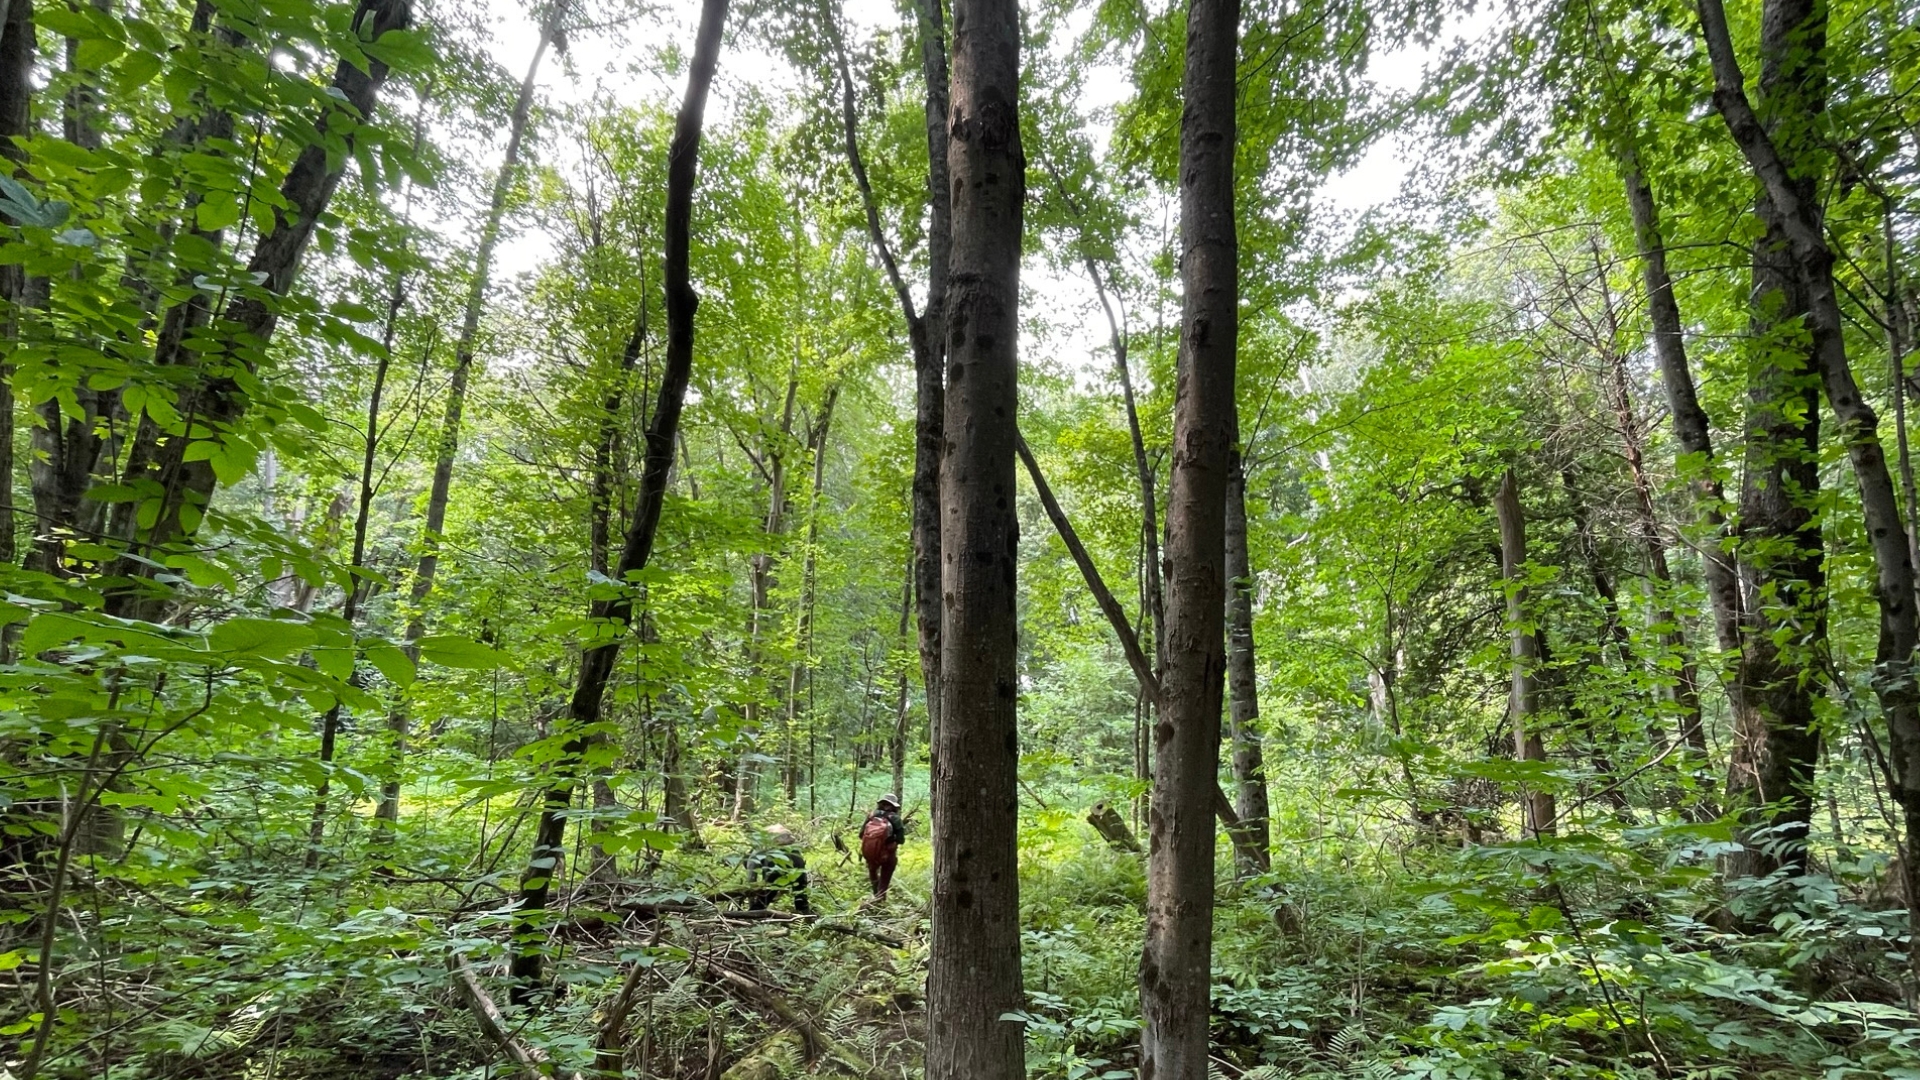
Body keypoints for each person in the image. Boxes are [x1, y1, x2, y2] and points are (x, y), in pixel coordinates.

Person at [747, 824, 811, 915]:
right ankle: (805, 917)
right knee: (800, 895)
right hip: (797, 861)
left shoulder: (756, 852)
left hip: (776, 863)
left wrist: (751, 900)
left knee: (765, 897)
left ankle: (752, 916)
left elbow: (751, 878)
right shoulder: (793, 848)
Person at [860, 795, 906, 898]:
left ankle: (875, 893)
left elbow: (861, 834)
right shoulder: (895, 818)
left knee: (872, 870)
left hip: (871, 853)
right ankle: (880, 897)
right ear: (893, 806)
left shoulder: (872, 815)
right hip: (887, 854)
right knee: (886, 872)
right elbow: (901, 840)